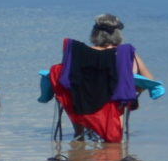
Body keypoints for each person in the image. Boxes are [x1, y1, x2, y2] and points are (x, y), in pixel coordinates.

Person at [51, 13, 157, 142]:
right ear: (118, 34)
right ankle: (112, 138)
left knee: (67, 81)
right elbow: (150, 80)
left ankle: (79, 135)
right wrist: (134, 91)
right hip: (112, 105)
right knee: (122, 89)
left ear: (95, 33)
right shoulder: (125, 52)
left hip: (78, 103)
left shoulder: (75, 49)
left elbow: (66, 76)